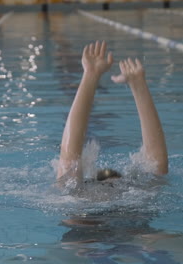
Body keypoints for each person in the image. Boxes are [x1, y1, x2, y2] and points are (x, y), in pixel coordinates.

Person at [57, 41, 168, 187]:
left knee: (70, 170)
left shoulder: (77, 194)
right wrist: (138, 85)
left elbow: (69, 160)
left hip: (88, 205)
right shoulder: (138, 190)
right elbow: (157, 163)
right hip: (132, 203)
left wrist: (90, 74)